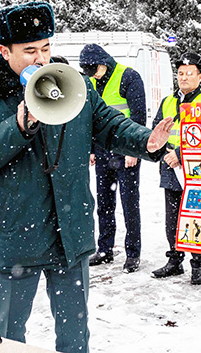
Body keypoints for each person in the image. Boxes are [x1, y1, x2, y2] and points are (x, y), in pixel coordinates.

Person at [0, 1, 173, 353]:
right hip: (16, 238)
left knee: (75, 337)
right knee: (10, 337)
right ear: (3, 51)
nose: (40, 59)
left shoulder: (72, 84)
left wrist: (146, 141)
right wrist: (19, 125)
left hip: (69, 232)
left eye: (46, 48)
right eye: (29, 51)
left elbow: (108, 125)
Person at [81, 44, 147, 273]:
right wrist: (90, 148)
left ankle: (133, 253)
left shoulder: (128, 76)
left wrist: (134, 150)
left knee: (130, 204)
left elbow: (138, 116)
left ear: (103, 62)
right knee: (104, 203)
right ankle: (105, 249)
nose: (93, 75)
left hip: (124, 151)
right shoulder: (89, 82)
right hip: (101, 152)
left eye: (95, 70)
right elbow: (88, 118)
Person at [151, 52, 201, 285]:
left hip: (195, 170)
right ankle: (174, 260)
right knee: (172, 219)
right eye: (180, 73)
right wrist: (165, 154)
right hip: (170, 169)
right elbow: (156, 131)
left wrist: (180, 154)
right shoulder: (168, 101)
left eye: (190, 73)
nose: (184, 77)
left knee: (195, 217)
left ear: (200, 77)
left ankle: (198, 265)